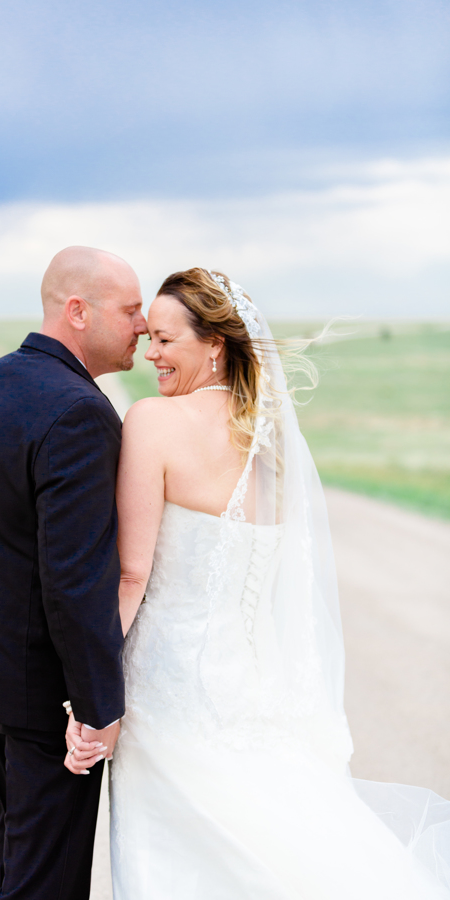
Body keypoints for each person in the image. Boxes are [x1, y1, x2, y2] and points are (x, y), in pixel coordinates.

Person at [108, 267, 450, 899]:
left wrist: (92, 688)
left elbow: (132, 574)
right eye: (149, 339)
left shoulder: (153, 422)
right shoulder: (270, 442)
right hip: (255, 686)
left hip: (168, 690)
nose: (149, 354)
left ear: (214, 343)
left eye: (163, 339)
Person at [0, 246, 147, 900]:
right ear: (78, 311)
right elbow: (75, 579)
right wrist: (95, 707)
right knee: (46, 878)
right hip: (42, 694)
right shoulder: (81, 413)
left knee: (19, 846)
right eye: (131, 309)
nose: (142, 325)